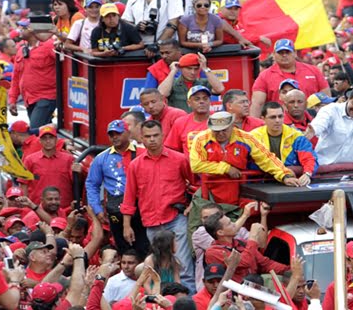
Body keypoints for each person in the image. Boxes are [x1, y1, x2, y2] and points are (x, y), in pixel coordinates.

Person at [121, 120, 196, 292]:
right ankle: (164, 301)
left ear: (163, 136)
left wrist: (191, 205)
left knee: (183, 266)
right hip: (152, 223)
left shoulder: (179, 160)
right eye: (148, 136)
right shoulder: (135, 165)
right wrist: (126, 225)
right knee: (158, 268)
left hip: (175, 219)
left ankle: (188, 303)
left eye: (155, 135)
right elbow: (129, 197)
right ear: (141, 138)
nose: (152, 139)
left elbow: (194, 185)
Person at [190, 111, 299, 205]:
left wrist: (285, 175)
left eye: (224, 129)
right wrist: (226, 168)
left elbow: (267, 158)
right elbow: (196, 165)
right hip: (209, 193)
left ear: (232, 126)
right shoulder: (200, 139)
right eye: (216, 130)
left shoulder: (246, 138)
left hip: (238, 190)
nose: (221, 133)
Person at [85, 120, 149, 257]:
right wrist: (97, 209)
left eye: (118, 133)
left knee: (145, 248)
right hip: (117, 209)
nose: (114, 137)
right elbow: (92, 184)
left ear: (128, 133)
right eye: (111, 134)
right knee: (124, 250)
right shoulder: (102, 158)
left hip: (143, 208)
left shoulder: (143, 153)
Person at [305, 85, 353, 181]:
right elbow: (320, 123)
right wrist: (313, 130)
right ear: (348, 98)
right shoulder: (330, 109)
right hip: (325, 170)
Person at [250, 39, 330, 117]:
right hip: (280, 124)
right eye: (280, 53)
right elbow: (257, 104)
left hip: (312, 121)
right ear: (274, 54)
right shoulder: (264, 76)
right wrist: (253, 127)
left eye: (287, 52)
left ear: (295, 53)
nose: (284, 55)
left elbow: (326, 98)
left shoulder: (313, 71)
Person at [204, 212, 289, 282]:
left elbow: (265, 264)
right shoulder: (213, 252)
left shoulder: (242, 243)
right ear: (220, 232)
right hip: (234, 296)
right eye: (229, 224)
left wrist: (289, 271)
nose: (234, 224)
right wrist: (253, 236)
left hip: (254, 289)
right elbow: (244, 262)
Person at [192, 202, 258, 291]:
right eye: (205, 218)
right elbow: (245, 261)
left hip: (242, 287)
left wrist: (264, 217)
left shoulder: (236, 232)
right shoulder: (200, 234)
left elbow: (260, 244)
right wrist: (245, 216)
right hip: (215, 290)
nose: (210, 219)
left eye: (214, 216)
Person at [250, 102, 318, 186]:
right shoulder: (253, 137)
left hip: (291, 182)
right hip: (260, 183)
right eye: (273, 117)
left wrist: (307, 174)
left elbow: (309, 158)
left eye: (280, 116)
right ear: (263, 119)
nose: (277, 120)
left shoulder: (296, 135)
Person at [8, 17, 57, 129]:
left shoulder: (49, 46)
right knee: (44, 133)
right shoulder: (21, 50)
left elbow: (64, 64)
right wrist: (12, 100)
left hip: (46, 97)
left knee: (34, 130)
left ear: (33, 30)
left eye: (24, 27)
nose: (20, 30)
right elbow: (16, 77)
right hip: (29, 99)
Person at [20, 125, 75, 207]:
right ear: (40, 141)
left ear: (56, 140)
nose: (48, 141)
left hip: (64, 209)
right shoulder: (30, 160)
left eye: (51, 138)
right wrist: (26, 207)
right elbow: (23, 183)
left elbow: (77, 182)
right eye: (44, 138)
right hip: (38, 209)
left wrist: (80, 172)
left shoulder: (69, 159)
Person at [158, 52, 224, 112]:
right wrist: (173, 71)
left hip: (199, 121)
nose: (193, 72)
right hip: (179, 121)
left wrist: (205, 68)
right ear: (180, 68)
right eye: (189, 69)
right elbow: (162, 93)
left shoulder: (203, 83)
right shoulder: (173, 83)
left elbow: (220, 89)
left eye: (196, 69)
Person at [164, 85, 212, 155]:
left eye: (205, 99)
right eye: (197, 99)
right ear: (189, 103)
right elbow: (171, 150)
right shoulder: (180, 123)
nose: (202, 101)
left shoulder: (218, 119)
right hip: (189, 165)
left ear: (209, 101)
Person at [143, 39, 209, 88]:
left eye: (167, 53)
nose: (164, 56)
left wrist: (205, 69)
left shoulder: (194, 63)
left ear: (179, 51)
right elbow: (148, 94)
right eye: (162, 53)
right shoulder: (154, 69)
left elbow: (210, 87)